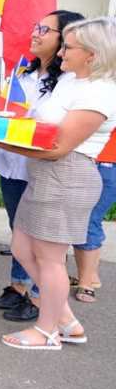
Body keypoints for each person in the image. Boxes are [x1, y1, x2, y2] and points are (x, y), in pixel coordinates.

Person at [0, 17, 116, 350]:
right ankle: (64, 319)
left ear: (92, 54)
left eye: (69, 47)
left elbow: (59, 147)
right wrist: (8, 126)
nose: (61, 52)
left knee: (50, 259)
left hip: (67, 175)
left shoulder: (101, 92)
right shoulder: (71, 82)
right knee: (22, 248)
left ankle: (48, 330)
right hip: (44, 175)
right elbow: (41, 125)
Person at [0, 10, 84, 322]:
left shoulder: (71, 82)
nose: (36, 33)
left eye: (45, 29)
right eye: (35, 26)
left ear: (64, 39)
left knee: (44, 238)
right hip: (16, 164)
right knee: (19, 230)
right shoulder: (24, 74)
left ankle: (42, 298)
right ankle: (18, 286)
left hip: (50, 169)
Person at [71, 126, 116, 303]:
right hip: (81, 156)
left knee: (89, 220)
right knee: (75, 219)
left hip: (106, 162)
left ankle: (87, 282)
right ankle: (89, 276)